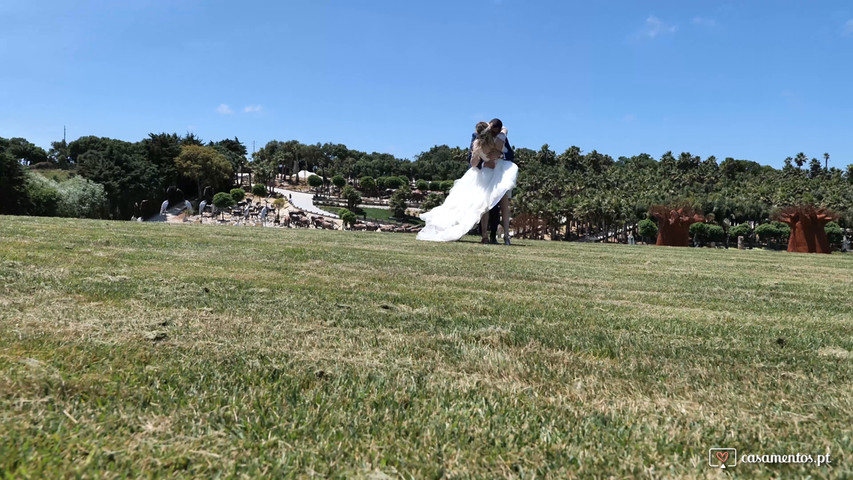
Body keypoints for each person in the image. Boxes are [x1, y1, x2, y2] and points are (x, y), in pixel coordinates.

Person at [417, 119, 518, 242]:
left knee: (491, 204)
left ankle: (490, 236)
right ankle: (495, 236)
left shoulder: (483, 141)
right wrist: (485, 163)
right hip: (486, 174)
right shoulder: (497, 136)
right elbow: (474, 162)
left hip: (495, 174)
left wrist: (499, 155)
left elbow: (506, 154)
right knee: (489, 204)